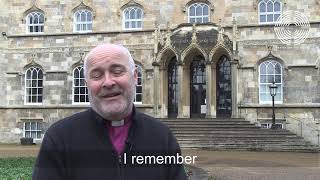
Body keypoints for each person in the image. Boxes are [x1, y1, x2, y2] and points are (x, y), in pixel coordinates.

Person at [32, 44, 187, 180]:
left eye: (117, 71)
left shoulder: (162, 137)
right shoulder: (59, 138)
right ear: (87, 84)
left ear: (135, 77)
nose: (108, 82)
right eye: (97, 75)